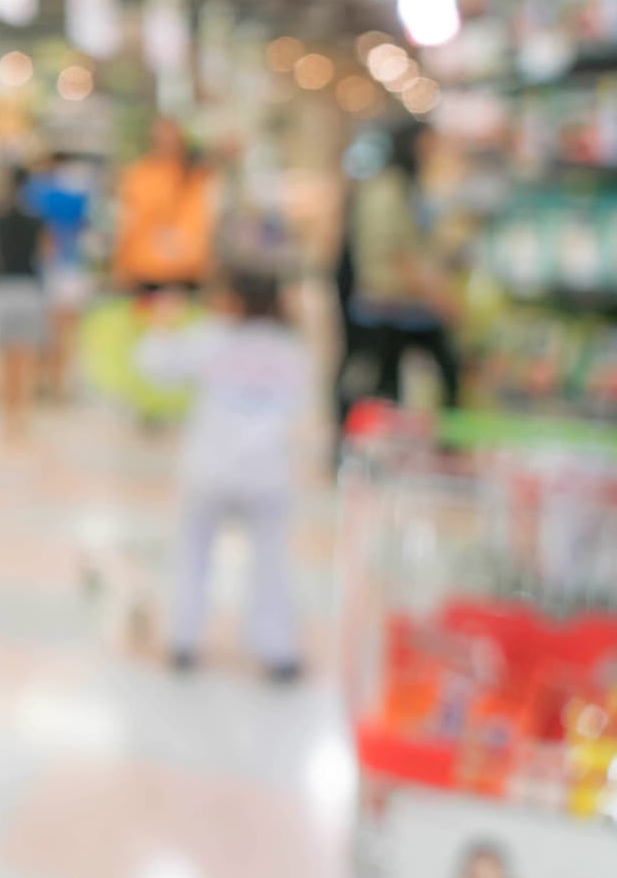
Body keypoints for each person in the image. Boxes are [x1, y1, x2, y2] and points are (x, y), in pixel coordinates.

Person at [137, 267, 308, 682]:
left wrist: (161, 325)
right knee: (271, 563)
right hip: (267, 472)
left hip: (208, 469)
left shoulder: (209, 339)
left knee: (192, 554)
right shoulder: (290, 348)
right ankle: (278, 650)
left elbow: (153, 366)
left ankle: (183, 640)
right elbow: (300, 402)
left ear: (235, 301)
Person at [339, 120, 461, 426]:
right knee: (386, 379)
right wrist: (435, 296)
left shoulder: (408, 187)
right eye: (428, 145)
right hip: (388, 301)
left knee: (394, 381)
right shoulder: (387, 190)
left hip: (403, 300)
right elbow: (393, 253)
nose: (433, 153)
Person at [0, 163, 50, 444]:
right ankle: (21, 414)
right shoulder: (38, 220)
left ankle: (8, 415)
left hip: (3, 288)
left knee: (5, 356)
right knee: (26, 357)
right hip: (29, 289)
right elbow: (45, 254)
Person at [113, 117, 215, 296]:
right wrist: (121, 266)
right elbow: (128, 223)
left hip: (186, 271)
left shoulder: (196, 177)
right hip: (144, 270)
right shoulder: (138, 175)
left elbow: (203, 224)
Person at [24, 152, 93, 397]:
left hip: (49, 269)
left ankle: (41, 382)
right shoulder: (78, 192)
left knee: (43, 332)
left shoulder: (36, 191)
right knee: (64, 333)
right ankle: (57, 384)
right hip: (69, 267)